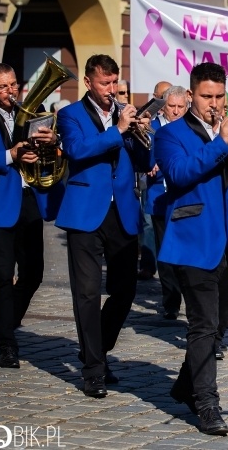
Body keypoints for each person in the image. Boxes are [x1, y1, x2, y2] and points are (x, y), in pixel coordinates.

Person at [154, 62, 228, 436]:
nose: (214, 103)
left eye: (220, 96)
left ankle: (185, 384)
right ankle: (207, 404)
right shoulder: (170, 134)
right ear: (191, 96)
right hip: (193, 239)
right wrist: (219, 145)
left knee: (221, 320)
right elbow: (179, 174)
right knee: (202, 324)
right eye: (207, 96)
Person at [55, 54, 152, 398]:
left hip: (123, 212)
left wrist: (143, 135)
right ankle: (93, 370)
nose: (112, 90)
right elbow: (78, 151)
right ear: (88, 82)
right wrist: (119, 131)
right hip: (84, 212)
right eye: (105, 84)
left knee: (125, 291)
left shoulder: (125, 114)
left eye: (115, 83)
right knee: (86, 293)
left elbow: (144, 162)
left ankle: (96, 348)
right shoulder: (69, 115)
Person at [0, 63, 64, 369]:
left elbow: (52, 149)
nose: (10, 91)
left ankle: (7, 321)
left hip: (29, 197)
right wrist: (11, 155)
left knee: (34, 272)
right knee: (2, 276)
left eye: (13, 84)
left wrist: (51, 143)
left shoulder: (35, 112)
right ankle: (6, 343)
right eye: (3, 87)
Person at [145, 85, 188, 319]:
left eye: (181, 107)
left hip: (183, 199)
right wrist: (155, 165)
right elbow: (146, 162)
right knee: (164, 252)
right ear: (163, 107)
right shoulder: (152, 128)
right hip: (159, 199)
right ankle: (170, 300)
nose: (176, 111)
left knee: (183, 250)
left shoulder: (189, 129)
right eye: (171, 106)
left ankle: (187, 292)